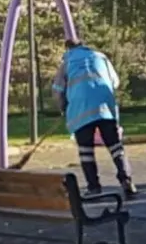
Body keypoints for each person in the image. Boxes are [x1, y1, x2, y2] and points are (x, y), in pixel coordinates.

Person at [52, 38, 137, 198]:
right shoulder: (100, 57)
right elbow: (115, 82)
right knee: (116, 148)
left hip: (80, 110)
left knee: (86, 152)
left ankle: (94, 186)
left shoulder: (67, 63)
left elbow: (57, 91)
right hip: (105, 108)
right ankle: (126, 179)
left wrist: (63, 106)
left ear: (68, 49)